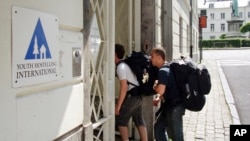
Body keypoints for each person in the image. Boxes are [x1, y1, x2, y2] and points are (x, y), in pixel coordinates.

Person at [150, 47, 185, 141]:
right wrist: (159, 97)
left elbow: (161, 90)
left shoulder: (162, 71)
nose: (150, 58)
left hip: (175, 107)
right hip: (170, 106)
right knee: (158, 128)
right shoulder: (167, 67)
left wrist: (155, 87)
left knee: (176, 136)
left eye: (152, 56)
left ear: (159, 58)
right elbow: (169, 87)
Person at [115, 44, 148, 141]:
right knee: (139, 120)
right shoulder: (125, 64)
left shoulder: (120, 67)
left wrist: (119, 105)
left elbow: (124, 87)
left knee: (121, 121)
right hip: (139, 94)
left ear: (115, 54)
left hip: (133, 95)